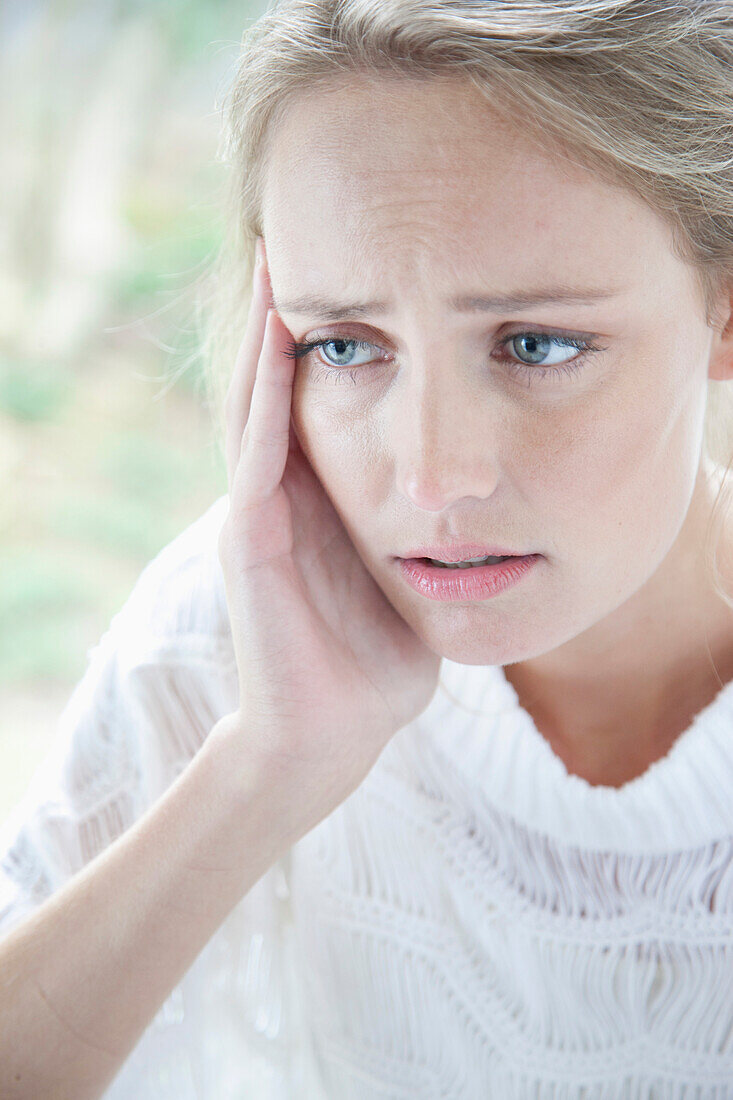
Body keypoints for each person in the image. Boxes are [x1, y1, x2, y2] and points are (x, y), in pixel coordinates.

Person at [2, 0, 733, 1095]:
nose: (432, 478)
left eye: (536, 344)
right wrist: (268, 762)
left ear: (721, 313)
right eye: (346, 344)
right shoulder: (237, 624)